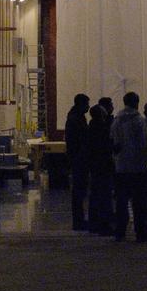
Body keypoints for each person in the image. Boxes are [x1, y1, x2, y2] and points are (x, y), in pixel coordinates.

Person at [110, 92, 147, 242]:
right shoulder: (139, 121)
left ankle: (120, 231)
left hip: (121, 167)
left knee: (121, 202)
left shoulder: (117, 121)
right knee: (139, 202)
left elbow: (113, 143)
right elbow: (146, 145)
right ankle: (141, 230)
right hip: (138, 168)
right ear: (137, 102)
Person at [87, 104, 114, 234]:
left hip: (95, 165)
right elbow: (105, 146)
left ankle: (95, 223)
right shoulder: (101, 129)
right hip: (102, 166)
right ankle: (103, 224)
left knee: (96, 195)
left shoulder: (91, 127)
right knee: (103, 195)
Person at [64, 93, 90, 231]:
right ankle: (78, 221)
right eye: (87, 104)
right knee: (78, 191)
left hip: (78, 158)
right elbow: (78, 140)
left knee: (79, 191)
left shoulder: (76, 117)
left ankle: (79, 219)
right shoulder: (76, 119)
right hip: (78, 158)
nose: (88, 107)